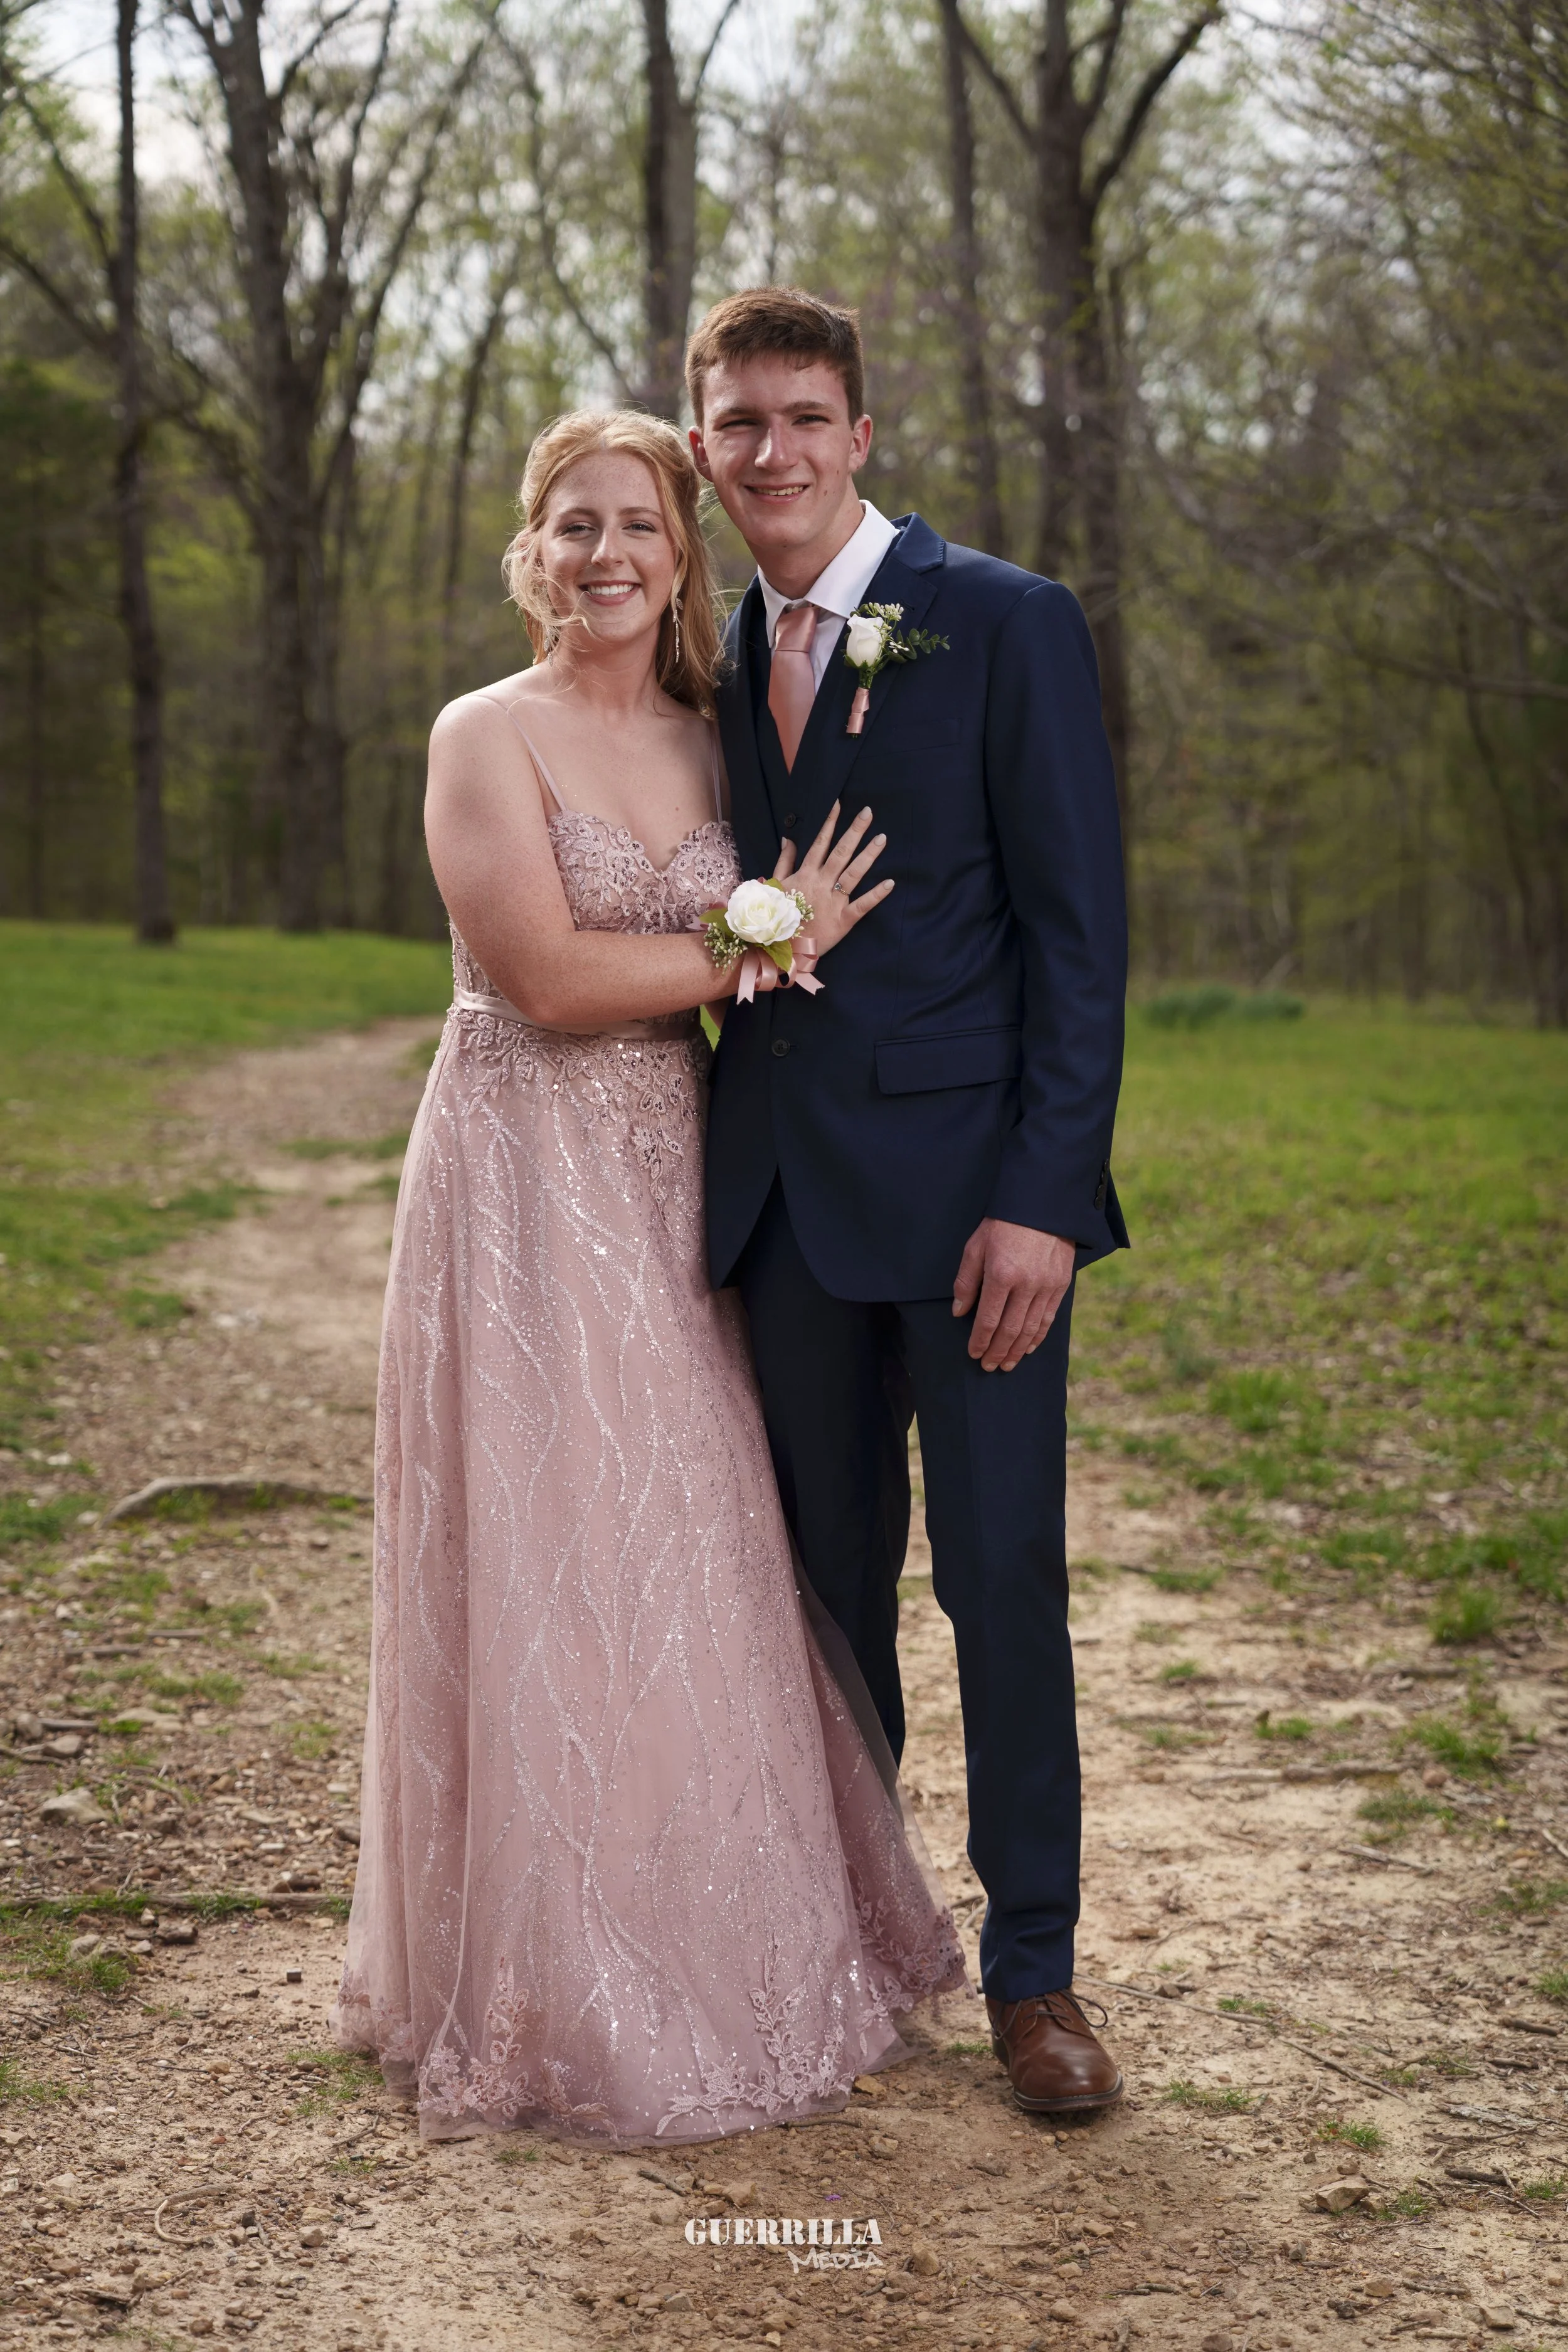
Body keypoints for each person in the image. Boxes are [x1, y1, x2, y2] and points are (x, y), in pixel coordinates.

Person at [332, 407, 963, 2146]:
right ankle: (549, 1973)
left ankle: (727, 1938)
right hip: (522, 1178)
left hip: (683, 1171)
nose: (605, 553)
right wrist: (759, 944)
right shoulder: (482, 733)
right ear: (530, 550)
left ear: (681, 555)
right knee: (549, 1533)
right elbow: (541, 977)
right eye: (574, 524)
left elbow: (816, 918)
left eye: (637, 524)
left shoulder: (719, 739)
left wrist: (797, 946)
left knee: (694, 1537)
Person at [689, 288, 1130, 2115]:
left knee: (1001, 1582)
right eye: (739, 422)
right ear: (703, 446)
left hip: (973, 1221)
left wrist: (1045, 1198)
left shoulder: (1004, 621)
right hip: (781, 1209)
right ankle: (858, 1949)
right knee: (820, 1595)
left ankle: (1037, 1976)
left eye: (805, 416)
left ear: (860, 435)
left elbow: (1079, 940)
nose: (773, 450)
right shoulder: (703, 653)